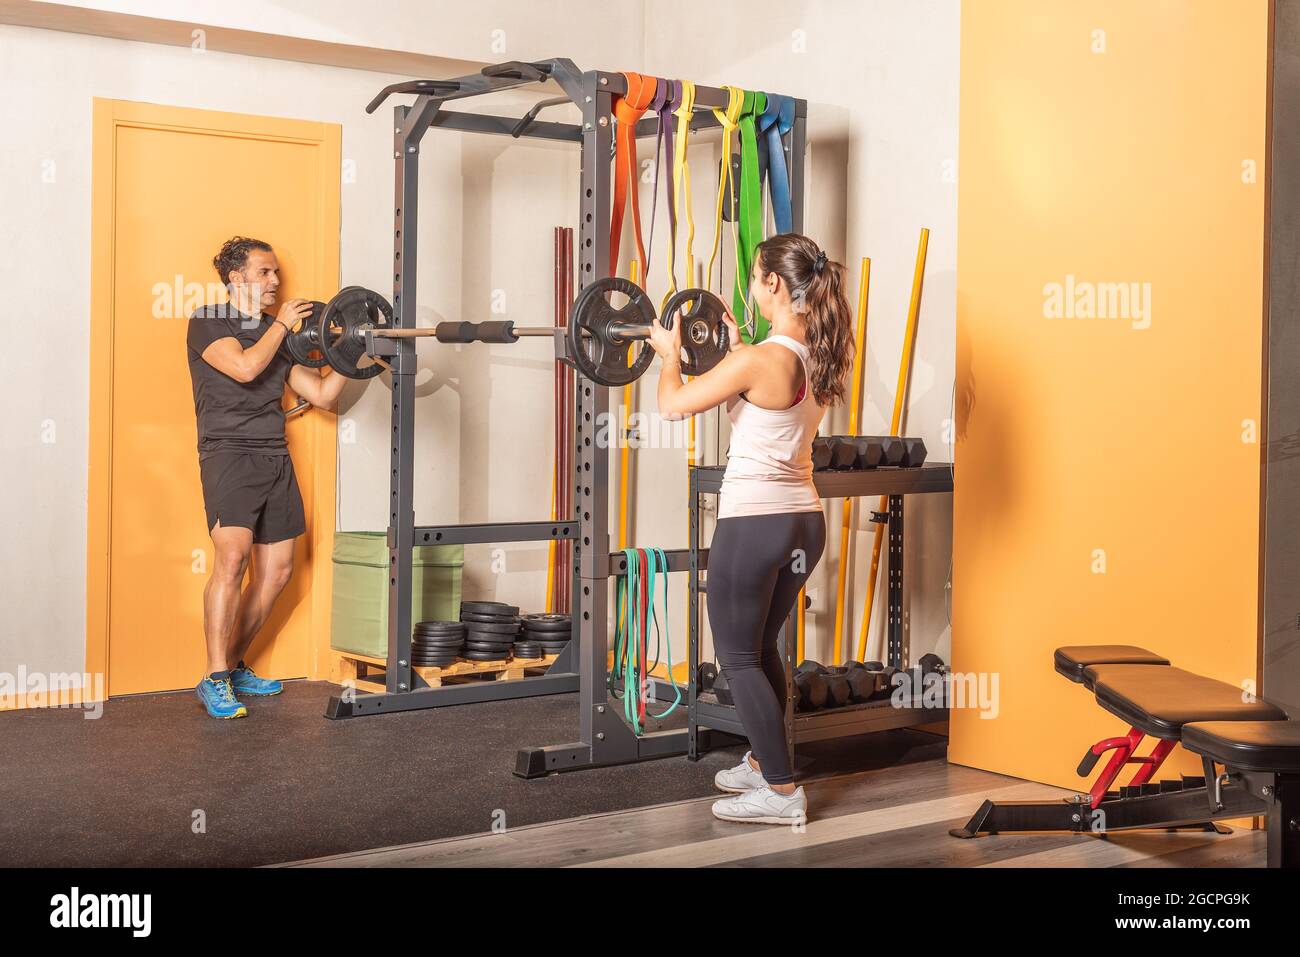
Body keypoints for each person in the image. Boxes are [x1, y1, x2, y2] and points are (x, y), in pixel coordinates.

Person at [649, 233, 854, 825]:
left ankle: (784, 794)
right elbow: (760, 394)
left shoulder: (758, 361)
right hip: (802, 521)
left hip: (754, 522)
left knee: (736, 657)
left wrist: (668, 354)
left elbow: (672, 405)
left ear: (774, 286)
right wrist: (734, 349)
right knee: (761, 646)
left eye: (755, 274)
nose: (748, 284)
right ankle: (767, 765)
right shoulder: (814, 352)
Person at [186, 236, 349, 719]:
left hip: (275, 455)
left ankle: (231, 666)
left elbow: (320, 395)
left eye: (277, 272)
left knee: (277, 572)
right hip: (228, 454)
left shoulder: (280, 340)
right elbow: (243, 367)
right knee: (232, 561)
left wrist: (355, 355)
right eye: (265, 272)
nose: (276, 281)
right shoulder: (207, 321)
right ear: (236, 279)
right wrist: (281, 325)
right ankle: (215, 679)